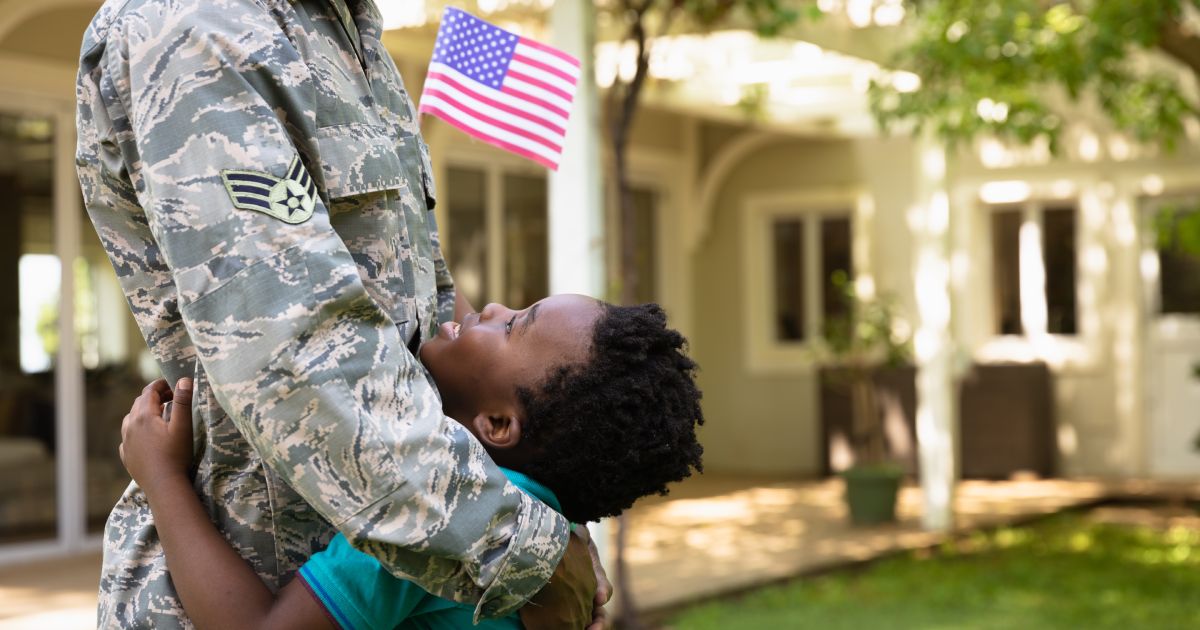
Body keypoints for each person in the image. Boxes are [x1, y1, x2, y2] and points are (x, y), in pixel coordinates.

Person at [76, 0, 603, 626]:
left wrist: (551, 519)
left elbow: (427, 302)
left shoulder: (354, 36)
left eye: (516, 321)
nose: (490, 308)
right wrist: (527, 550)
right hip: (251, 577)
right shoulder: (199, 24)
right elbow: (294, 354)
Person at [118, 296, 704, 629]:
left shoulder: (432, 513)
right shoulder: (541, 509)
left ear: (498, 426)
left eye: (512, 324)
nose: (491, 306)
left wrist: (163, 479)